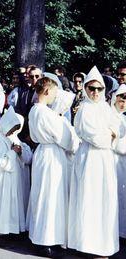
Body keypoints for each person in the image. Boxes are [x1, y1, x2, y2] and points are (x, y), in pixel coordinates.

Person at [68, 66, 125, 257]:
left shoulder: (104, 107)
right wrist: (109, 133)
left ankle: (104, 244)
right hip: (90, 159)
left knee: (105, 200)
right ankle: (88, 245)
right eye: (91, 88)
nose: (95, 92)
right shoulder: (84, 109)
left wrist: (110, 133)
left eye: (99, 89)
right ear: (85, 88)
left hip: (105, 159)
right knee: (90, 199)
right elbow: (95, 136)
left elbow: (118, 128)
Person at [27, 77, 80, 257]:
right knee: (51, 196)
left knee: (43, 195)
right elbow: (65, 139)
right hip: (52, 156)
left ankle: (43, 237)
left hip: (43, 153)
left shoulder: (35, 111)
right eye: (55, 93)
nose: (55, 97)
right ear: (47, 91)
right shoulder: (45, 113)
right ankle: (46, 241)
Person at [0, 107, 32, 236]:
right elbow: (0, 160)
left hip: (14, 176)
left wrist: (20, 151)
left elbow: (26, 156)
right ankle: (3, 230)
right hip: (6, 176)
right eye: (13, 128)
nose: (14, 131)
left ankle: (13, 229)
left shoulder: (11, 138)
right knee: (6, 202)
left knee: (13, 203)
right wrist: (13, 152)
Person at [110, 84, 126, 240]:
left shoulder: (123, 118)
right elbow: (119, 145)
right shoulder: (111, 116)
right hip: (113, 161)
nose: (124, 102)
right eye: (123, 98)